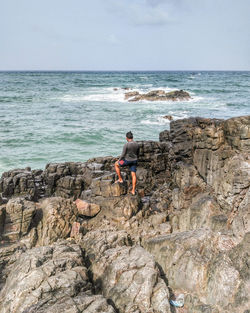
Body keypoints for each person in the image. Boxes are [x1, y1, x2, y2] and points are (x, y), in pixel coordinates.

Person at [115, 131, 139, 195]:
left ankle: (120, 179)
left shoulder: (126, 145)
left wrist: (118, 160)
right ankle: (133, 191)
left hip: (127, 161)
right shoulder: (136, 144)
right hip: (135, 161)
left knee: (116, 164)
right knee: (133, 175)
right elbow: (137, 153)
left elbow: (123, 155)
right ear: (132, 137)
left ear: (126, 138)